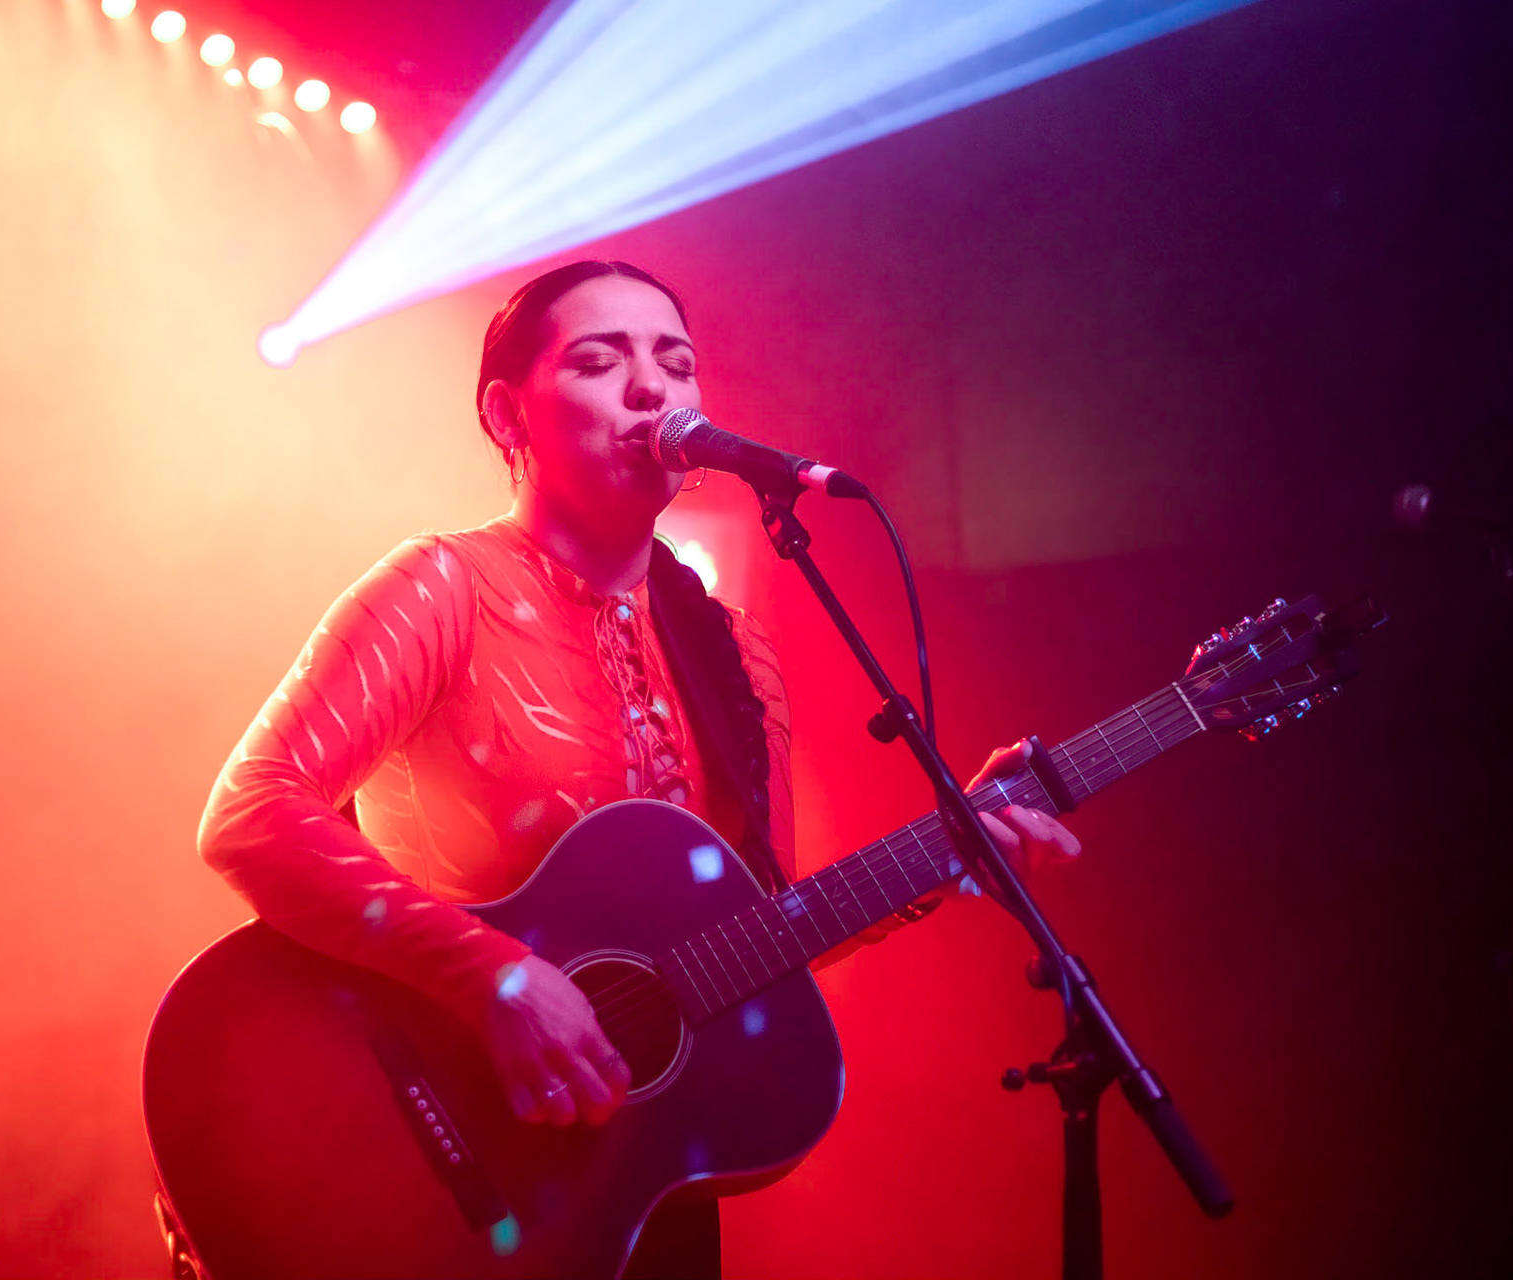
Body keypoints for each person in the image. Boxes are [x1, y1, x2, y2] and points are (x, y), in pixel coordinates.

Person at [195, 259, 1080, 1278]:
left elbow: (767, 927)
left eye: (677, 361)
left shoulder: (734, 653)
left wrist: (948, 854)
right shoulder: (442, 588)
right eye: (600, 361)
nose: (654, 387)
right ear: (507, 414)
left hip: (626, 1182)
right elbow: (251, 811)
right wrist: (493, 976)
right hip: (426, 1153)